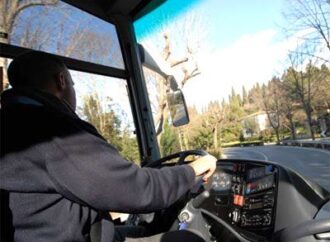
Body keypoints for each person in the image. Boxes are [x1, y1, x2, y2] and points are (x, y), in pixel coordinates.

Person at [0, 51, 217, 242]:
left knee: (146, 230)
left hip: (76, 231)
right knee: (189, 238)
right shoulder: (52, 130)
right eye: (73, 85)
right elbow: (139, 190)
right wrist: (192, 169)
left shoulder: (12, 122)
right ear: (61, 81)